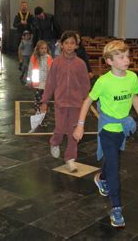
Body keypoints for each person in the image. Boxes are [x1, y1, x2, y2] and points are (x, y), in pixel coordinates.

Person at [72, 40, 138, 228]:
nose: (127, 60)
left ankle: (101, 178)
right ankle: (117, 208)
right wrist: (80, 125)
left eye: (127, 56)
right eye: (121, 57)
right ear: (109, 61)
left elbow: (134, 97)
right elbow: (87, 102)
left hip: (122, 129)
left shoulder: (132, 77)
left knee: (113, 159)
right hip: (107, 130)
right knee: (115, 168)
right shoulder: (104, 81)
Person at [40, 31, 90, 173]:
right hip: (60, 102)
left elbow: (85, 84)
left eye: (72, 43)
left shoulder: (81, 64)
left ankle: (70, 159)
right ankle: (54, 142)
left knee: (74, 132)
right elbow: (50, 83)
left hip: (76, 104)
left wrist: (86, 100)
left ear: (76, 45)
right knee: (60, 128)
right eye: (66, 43)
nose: (69, 46)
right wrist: (45, 101)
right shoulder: (56, 62)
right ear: (61, 45)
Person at [26, 40, 53, 114]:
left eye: (45, 48)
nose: (44, 50)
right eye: (42, 48)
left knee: (45, 98)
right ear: (38, 49)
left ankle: (43, 111)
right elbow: (30, 69)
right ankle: (37, 110)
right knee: (38, 97)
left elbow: (51, 70)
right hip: (37, 82)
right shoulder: (34, 57)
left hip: (46, 82)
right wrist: (29, 81)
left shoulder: (49, 58)